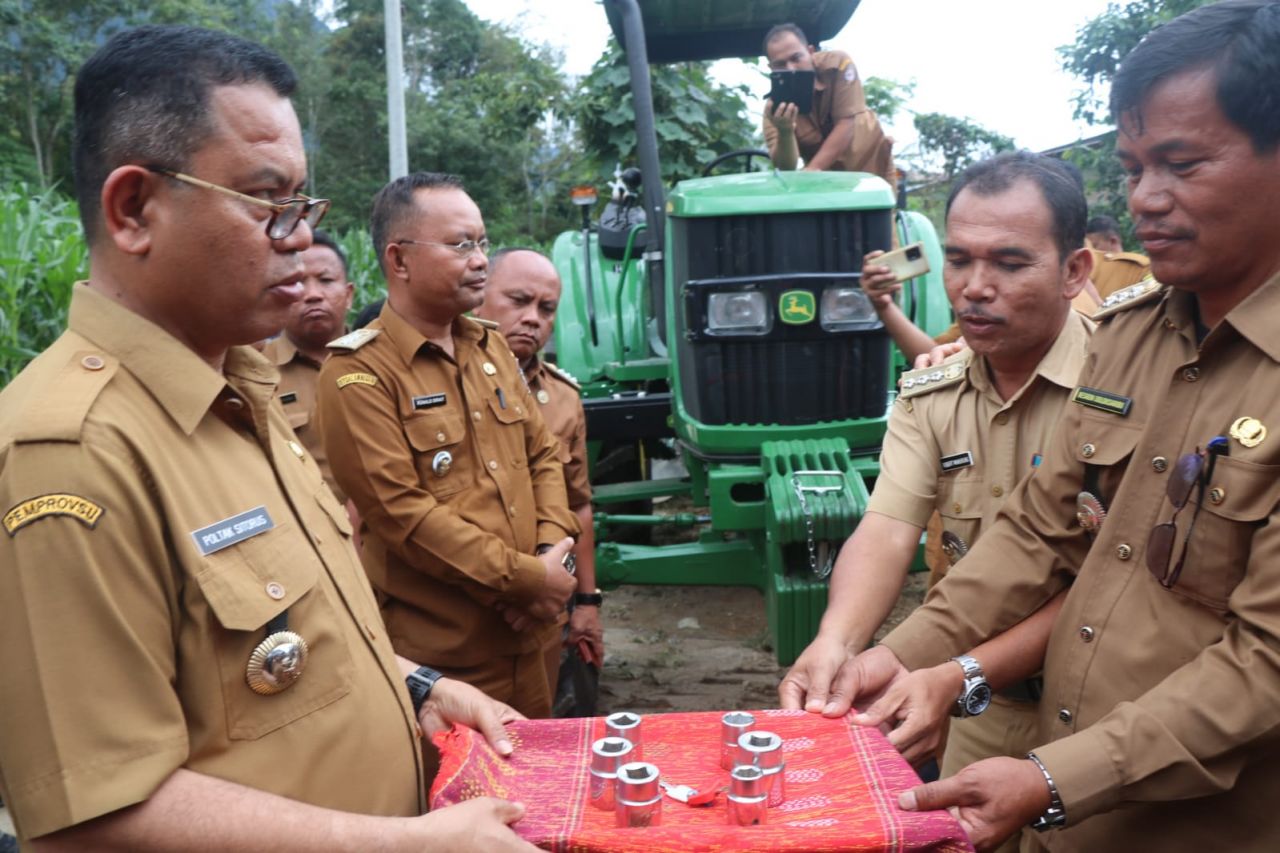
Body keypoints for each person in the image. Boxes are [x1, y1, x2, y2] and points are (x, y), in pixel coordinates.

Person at [0, 25, 539, 851]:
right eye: (266, 200)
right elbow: (96, 815)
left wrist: (419, 687)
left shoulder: (241, 397)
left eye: (302, 203)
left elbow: (276, 656)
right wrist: (409, 843)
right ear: (134, 209)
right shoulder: (72, 455)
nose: (298, 236)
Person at [832, 2, 1280, 849]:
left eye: (1181, 164)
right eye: (1134, 167)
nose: (1146, 198)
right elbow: (1040, 531)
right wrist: (902, 653)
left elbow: (1267, 661)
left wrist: (1053, 777)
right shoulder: (1136, 336)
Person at [780, 152, 1093, 852]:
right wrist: (837, 641)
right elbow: (887, 528)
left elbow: (1105, 582)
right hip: (977, 705)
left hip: (1095, 705)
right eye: (958, 260)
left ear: (1074, 271)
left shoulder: (1121, 385)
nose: (975, 288)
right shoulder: (931, 394)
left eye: (1009, 263)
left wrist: (946, 671)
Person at [316, 173, 580, 720]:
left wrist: (550, 558)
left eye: (482, 242)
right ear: (400, 260)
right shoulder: (358, 373)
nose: (480, 260)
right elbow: (403, 515)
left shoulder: (490, 347)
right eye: (461, 245)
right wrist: (528, 582)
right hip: (442, 667)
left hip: (531, 640)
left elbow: (543, 458)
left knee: (536, 769)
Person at [472, 248, 606, 698]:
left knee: (540, 720)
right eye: (518, 300)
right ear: (478, 296)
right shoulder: (443, 383)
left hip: (545, 607)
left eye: (546, 309)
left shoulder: (564, 398)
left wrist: (585, 602)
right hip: (467, 603)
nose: (532, 318)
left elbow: (577, 505)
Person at [261, 228, 353, 502]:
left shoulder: (384, 359)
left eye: (326, 280)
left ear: (349, 295)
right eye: (299, 282)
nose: (313, 294)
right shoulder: (257, 373)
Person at [761, 23, 895, 182]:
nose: (791, 68)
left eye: (796, 58)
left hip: (872, 167)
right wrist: (785, 131)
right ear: (771, 68)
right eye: (780, 64)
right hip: (826, 180)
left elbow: (846, 123)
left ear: (810, 52)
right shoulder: (774, 111)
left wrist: (812, 169)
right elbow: (785, 167)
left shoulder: (838, 64)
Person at [1084, 215, 1152, 299]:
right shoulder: (1088, 272)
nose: (1091, 252)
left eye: (1094, 246)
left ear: (1113, 241)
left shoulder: (1140, 268)